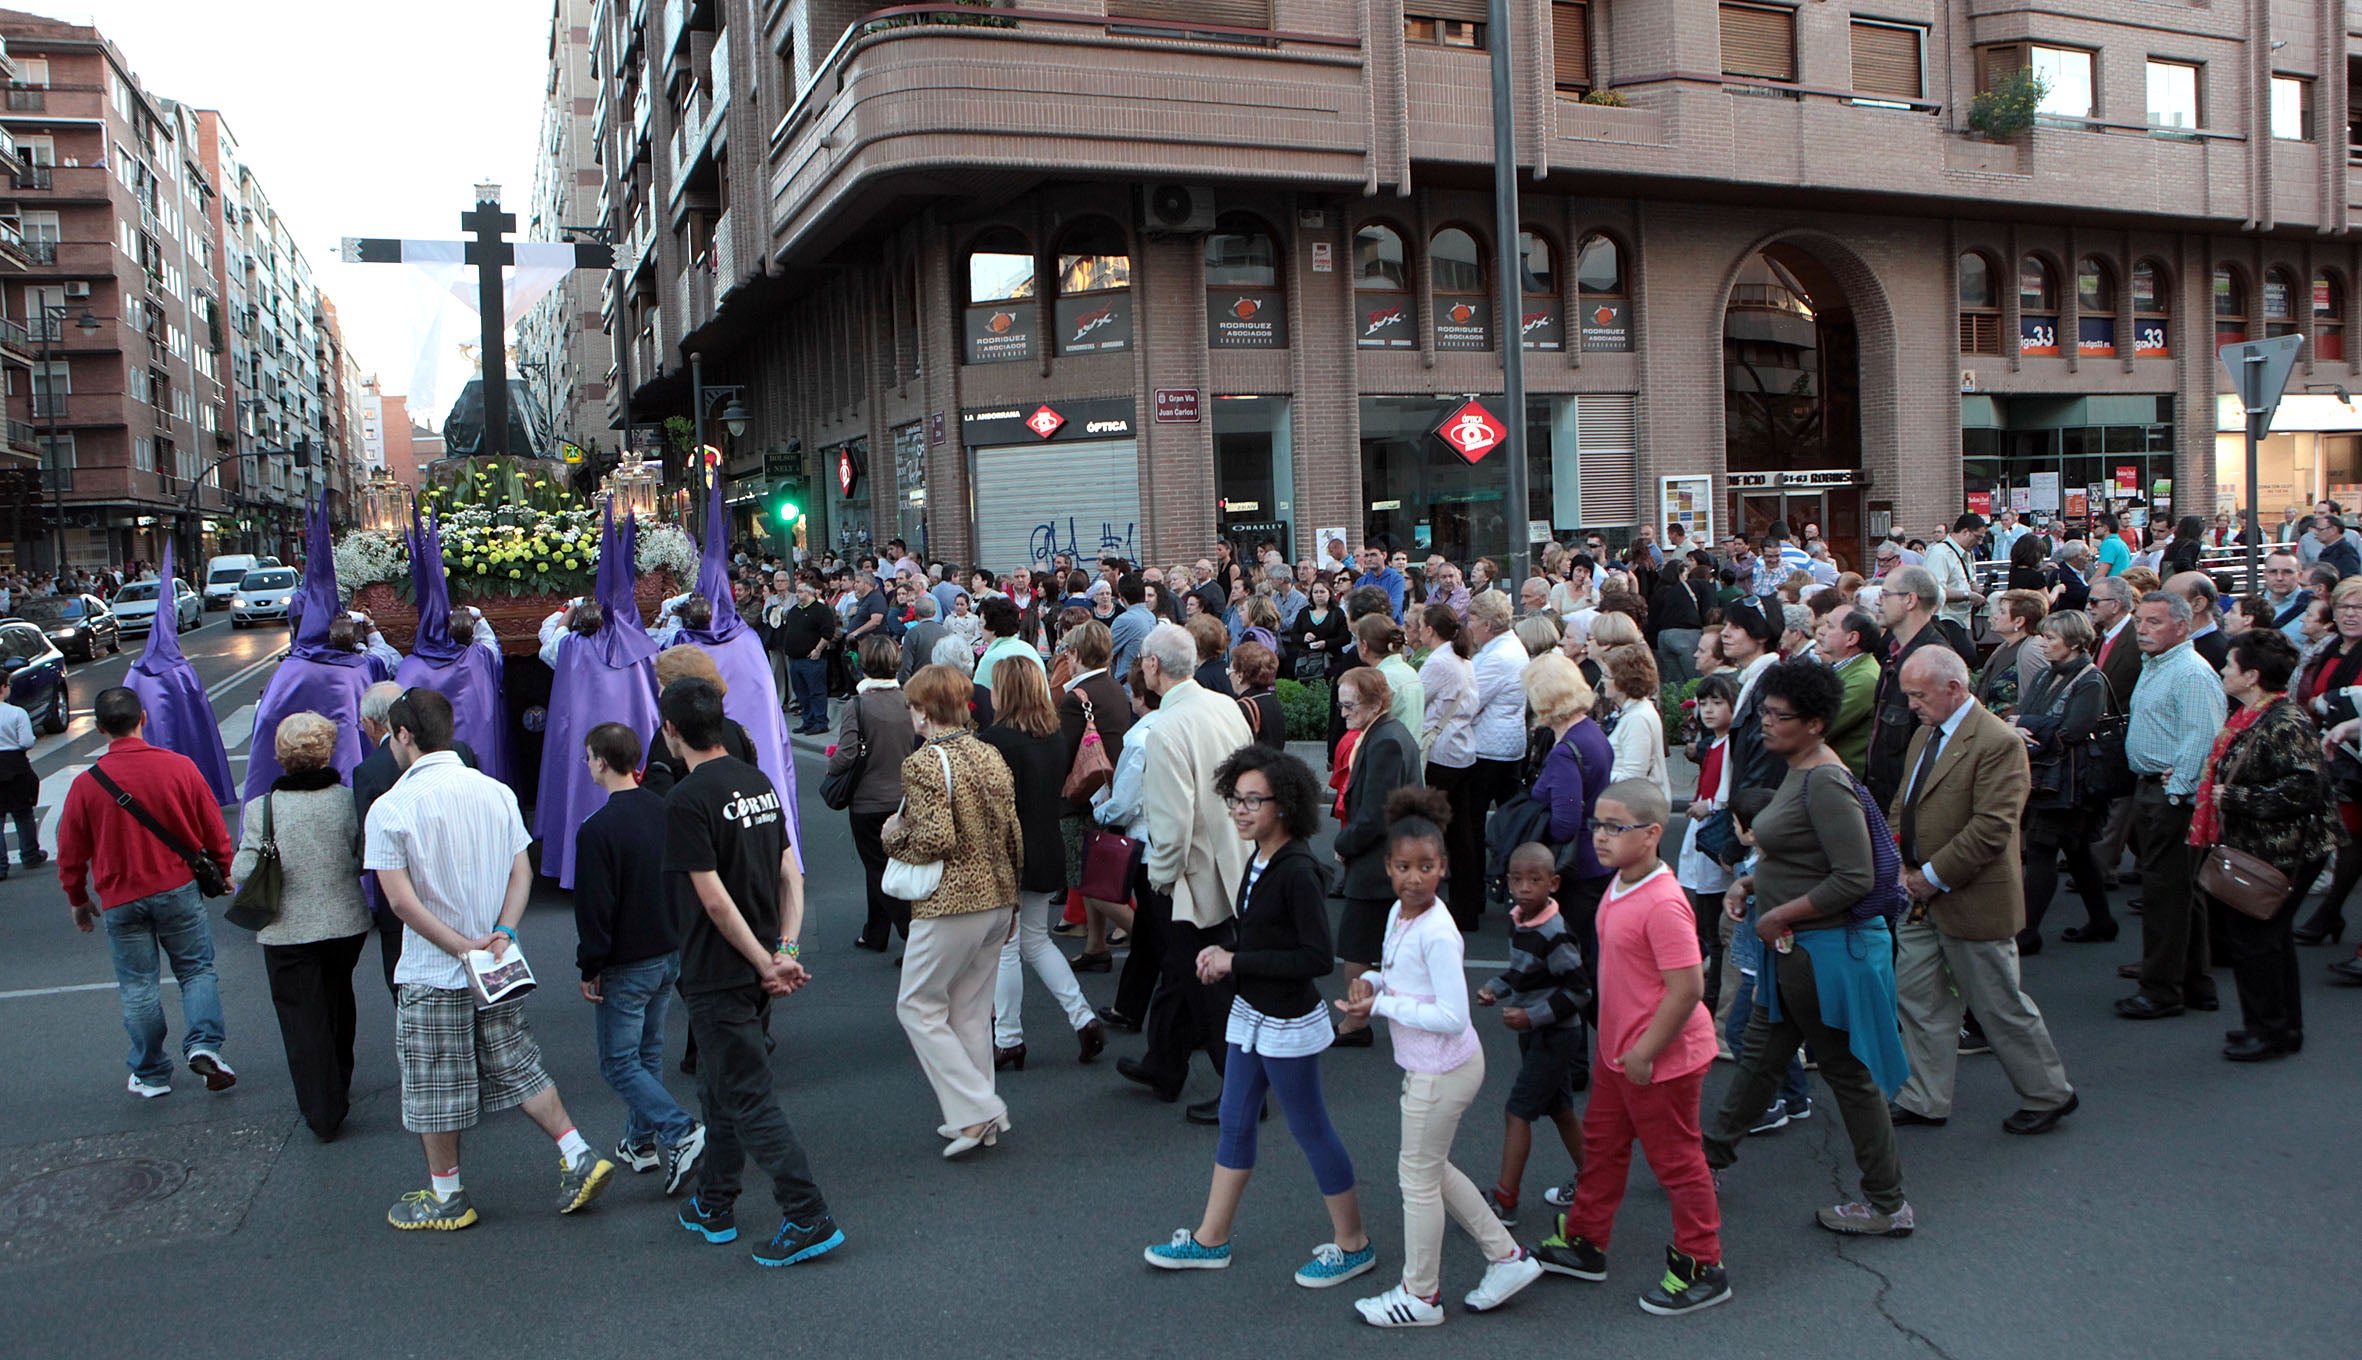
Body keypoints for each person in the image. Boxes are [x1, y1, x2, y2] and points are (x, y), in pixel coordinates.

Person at [364, 688, 612, 1230]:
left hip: (435, 971)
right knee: (516, 1061)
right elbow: (520, 871)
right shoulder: (495, 791)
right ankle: (577, 1153)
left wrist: (459, 946)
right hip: (497, 962)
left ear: (403, 734)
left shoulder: (391, 807)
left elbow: (401, 902)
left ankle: (448, 1196)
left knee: (435, 1083)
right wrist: (501, 932)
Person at [1144, 746, 1376, 1287]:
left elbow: (1316, 959)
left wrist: (1235, 960)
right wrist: (1226, 960)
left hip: (1285, 1023)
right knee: (1235, 1120)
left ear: (1286, 805)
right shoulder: (1261, 858)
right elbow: (1260, 939)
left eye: (1254, 800)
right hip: (1252, 1013)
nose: (1241, 810)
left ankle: (1354, 1243)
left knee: (1310, 1126)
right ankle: (1211, 1239)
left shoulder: (1297, 870)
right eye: (1235, 799)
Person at [1702, 661, 1913, 1238]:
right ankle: (1707, 1161)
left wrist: (1779, 913)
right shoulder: (1801, 770)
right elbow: (1800, 856)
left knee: (1845, 1075)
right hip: (1797, 953)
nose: (1765, 723)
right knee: (1762, 1055)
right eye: (1764, 712)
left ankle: (1887, 1204)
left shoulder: (1823, 781)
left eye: (1779, 716)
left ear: (1816, 724)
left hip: (1820, 956)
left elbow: (1856, 877)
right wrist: (1750, 884)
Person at [1332, 788, 1542, 1326]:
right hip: (1437, 1066)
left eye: (1426, 867)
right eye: (1404, 867)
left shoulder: (1438, 931)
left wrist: (1382, 1004)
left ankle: (1421, 1295)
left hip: (1440, 1068)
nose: (1414, 877)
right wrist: (1372, 983)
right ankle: (1507, 1257)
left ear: (1443, 868)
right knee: (1434, 1171)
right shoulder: (1402, 917)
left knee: (1417, 1180)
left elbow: (1453, 1014)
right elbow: (1395, 971)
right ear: (1388, 867)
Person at [656, 677, 842, 1265]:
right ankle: (715, 1201)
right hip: (761, 961)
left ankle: (806, 1213)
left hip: (719, 969)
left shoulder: (685, 800)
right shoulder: (757, 782)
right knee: (718, 1088)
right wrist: (783, 949)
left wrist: (766, 960)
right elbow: (793, 874)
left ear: (670, 732)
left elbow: (712, 899)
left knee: (749, 1096)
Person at [1531, 778, 1728, 1314]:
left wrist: (1644, 1052)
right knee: (1602, 1147)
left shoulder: (1663, 903)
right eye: (1598, 824)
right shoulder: (1619, 882)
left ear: (1652, 834)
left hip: (1658, 1061)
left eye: (1616, 827)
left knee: (1678, 1163)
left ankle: (1702, 1264)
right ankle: (1586, 1241)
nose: (1600, 836)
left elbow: (1688, 988)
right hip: (1621, 1054)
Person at [1884, 648, 2077, 1134]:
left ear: (1954, 688)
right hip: (1920, 898)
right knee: (1918, 999)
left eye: (1918, 694)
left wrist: (1929, 875)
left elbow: (1993, 828)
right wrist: (1900, 861)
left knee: (1997, 1004)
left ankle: (2048, 1093)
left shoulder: (1998, 742)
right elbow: (1903, 803)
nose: (1911, 705)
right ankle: (1925, 1096)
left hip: (1970, 899)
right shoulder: (1928, 732)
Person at [59, 687, 237, 1101]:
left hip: (119, 897)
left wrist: (77, 898)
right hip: (176, 887)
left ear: (100, 728)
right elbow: (213, 829)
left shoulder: (87, 785)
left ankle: (152, 1071)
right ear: (143, 717)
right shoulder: (179, 767)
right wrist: (224, 871)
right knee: (196, 970)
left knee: (139, 985)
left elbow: (70, 852)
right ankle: (204, 1045)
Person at [880, 664, 1024, 1157]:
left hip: (952, 903)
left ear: (923, 710)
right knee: (970, 1010)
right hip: (998, 898)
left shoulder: (923, 763)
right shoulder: (989, 754)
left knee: (917, 1006)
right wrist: (1015, 903)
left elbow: (936, 838)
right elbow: (1012, 834)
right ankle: (972, 1120)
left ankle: (978, 1108)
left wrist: (893, 838)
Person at [1116, 624, 1254, 1118]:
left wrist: (1162, 876)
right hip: (1232, 859)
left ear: (1152, 665)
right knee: (1179, 971)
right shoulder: (1225, 706)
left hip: (1189, 875)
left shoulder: (1166, 729)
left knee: (1207, 983)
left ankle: (1242, 1093)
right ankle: (1164, 1063)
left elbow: (1171, 823)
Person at [574, 720, 706, 1192]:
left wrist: (590, 965)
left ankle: (680, 1130)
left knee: (617, 1061)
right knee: (648, 1052)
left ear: (602, 762)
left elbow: (595, 908)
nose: (587, 764)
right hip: (669, 950)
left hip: (626, 961)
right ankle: (640, 1141)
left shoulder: (597, 829)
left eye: (588, 757)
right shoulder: (664, 810)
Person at [2195, 630, 2333, 1060]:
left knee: (2257, 941)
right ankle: (2278, 1027)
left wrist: (2233, 797)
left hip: (2283, 850)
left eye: (2230, 665)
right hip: (2265, 846)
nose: (2222, 670)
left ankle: (2270, 1031)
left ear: (2251, 676)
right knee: (2266, 940)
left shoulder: (2283, 721)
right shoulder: (2257, 716)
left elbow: (2305, 788)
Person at [234, 712, 371, 1140]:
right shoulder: (347, 800)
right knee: (337, 1001)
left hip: (286, 926)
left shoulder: (263, 808)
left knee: (300, 1017)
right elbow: (361, 856)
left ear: (280, 757)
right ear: (327, 752)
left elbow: (244, 866)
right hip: (344, 920)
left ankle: (322, 1107)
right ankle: (339, 1082)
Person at [980, 658, 1105, 1069]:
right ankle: (1083, 1017)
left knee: (1007, 948)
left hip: (1010, 852)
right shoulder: (1052, 735)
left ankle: (1009, 1037)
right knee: (1036, 940)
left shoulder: (995, 739)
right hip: (1048, 843)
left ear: (1005, 692)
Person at [2117, 590, 2230, 1020]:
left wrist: (2177, 788)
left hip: (2171, 796)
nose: (2142, 629)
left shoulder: (2190, 672)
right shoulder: (2159, 665)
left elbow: (2203, 738)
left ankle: (2161, 990)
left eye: (2154, 622)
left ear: (2181, 626)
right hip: (2155, 788)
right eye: (2140, 621)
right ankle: (2194, 981)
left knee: (2165, 895)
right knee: (2182, 893)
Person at [1474, 844, 1589, 1231]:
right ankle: (1596, 1181)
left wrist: (1531, 1016)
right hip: (1537, 1032)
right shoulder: (1519, 919)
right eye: (1517, 880)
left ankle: (1506, 1200)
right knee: (1560, 1110)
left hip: (1555, 1037)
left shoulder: (1555, 934)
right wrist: (1494, 987)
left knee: (1518, 1111)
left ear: (1553, 883)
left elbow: (1579, 991)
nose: (1524, 888)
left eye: (1535, 880)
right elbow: (1522, 973)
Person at [2012, 611, 2119, 950]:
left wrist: (2026, 724)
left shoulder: (2090, 679)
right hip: (2051, 775)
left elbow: (2071, 730)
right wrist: (2029, 723)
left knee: (2043, 849)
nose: (2043, 643)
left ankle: (2027, 933)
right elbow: (2031, 716)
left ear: (2074, 643)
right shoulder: (2049, 674)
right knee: (2076, 851)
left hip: (2070, 780)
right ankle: (2102, 921)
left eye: (2051, 638)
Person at [1331, 665, 1422, 1044]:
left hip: (1376, 862)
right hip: (1391, 855)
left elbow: (1375, 815)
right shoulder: (1389, 732)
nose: (1343, 713)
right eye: (1341, 705)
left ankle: (1355, 1023)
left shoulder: (1383, 741)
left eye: (1349, 705)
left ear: (1374, 703)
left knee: (1356, 944)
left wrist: (1343, 844)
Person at [1525, 654, 1616, 1014]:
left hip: (1574, 869)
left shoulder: (1565, 751)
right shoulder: (1591, 732)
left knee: (1575, 971)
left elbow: (1563, 824)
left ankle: (1583, 1058)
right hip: (1596, 861)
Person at [829, 637, 917, 954]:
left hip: (868, 800)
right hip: (904, 798)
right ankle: (875, 932)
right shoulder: (909, 699)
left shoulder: (858, 705)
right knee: (886, 866)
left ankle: (915, 938)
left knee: (879, 868)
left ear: (863, 665)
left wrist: (832, 765)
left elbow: (846, 754)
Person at [1867, 565, 1958, 808]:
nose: (1878, 602)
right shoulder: (1894, 653)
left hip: (1910, 809)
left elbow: (1942, 745)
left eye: (1885, 594)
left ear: (1910, 600)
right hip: (1885, 801)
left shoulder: (1933, 662)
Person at [1465, 590, 1528, 906]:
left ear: (1488, 624)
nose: (1469, 625)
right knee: (1509, 823)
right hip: (1504, 745)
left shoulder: (1498, 656)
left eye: (1473, 620)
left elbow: (1470, 701)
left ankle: (1476, 892)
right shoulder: (1505, 648)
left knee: (1473, 823)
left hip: (1489, 750)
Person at [1598, 643, 1669, 802]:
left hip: (1634, 808)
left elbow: (1633, 777)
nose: (1603, 680)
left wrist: (1596, 774)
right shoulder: (1629, 712)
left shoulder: (1638, 718)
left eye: (1607, 676)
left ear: (1624, 680)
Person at [780, 575, 839, 735]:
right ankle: (808, 720)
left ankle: (820, 721)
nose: (797, 594)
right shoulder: (794, 611)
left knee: (816, 691)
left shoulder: (820, 611)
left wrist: (818, 650)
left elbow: (828, 632)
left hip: (812, 660)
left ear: (809, 593)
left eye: (800, 591)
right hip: (794, 659)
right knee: (801, 692)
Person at [1973, 589, 2046, 715]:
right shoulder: (2005, 646)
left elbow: (2040, 699)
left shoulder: (2033, 650)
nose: (1995, 616)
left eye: (2002, 612)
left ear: (2019, 621)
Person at [0, 689, 40, 879]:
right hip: (15, 764)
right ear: (3, 688)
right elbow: (26, 742)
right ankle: (30, 854)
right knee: (23, 813)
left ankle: (1, 865)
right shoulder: (16, 713)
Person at [1229, 640, 1287, 749]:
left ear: (1240, 676)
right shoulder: (1272, 698)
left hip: (1254, 764)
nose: (1229, 676)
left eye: (1230, 671)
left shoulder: (1243, 707)